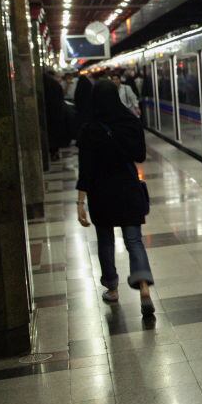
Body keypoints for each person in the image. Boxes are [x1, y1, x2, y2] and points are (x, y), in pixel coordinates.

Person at [75, 79, 155, 316]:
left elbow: (85, 170)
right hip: (128, 188)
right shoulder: (130, 121)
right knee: (134, 241)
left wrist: (80, 203)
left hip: (102, 193)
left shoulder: (89, 128)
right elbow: (140, 156)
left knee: (106, 242)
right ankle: (143, 288)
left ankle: (112, 288)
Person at [43, 70, 69, 159]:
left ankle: (51, 152)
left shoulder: (44, 83)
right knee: (55, 133)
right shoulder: (55, 84)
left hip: (47, 113)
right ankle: (55, 152)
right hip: (56, 113)